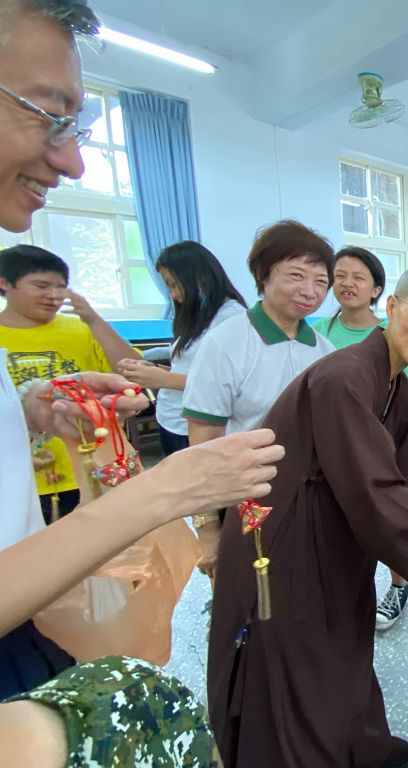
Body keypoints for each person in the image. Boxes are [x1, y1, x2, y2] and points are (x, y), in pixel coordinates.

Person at [0, 1, 284, 763]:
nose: (72, 163)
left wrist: (24, 410)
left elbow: (218, 382)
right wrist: (164, 489)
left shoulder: (239, 319)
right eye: (47, 115)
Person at [207, 267, 408, 768]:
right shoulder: (344, 377)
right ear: (391, 306)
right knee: (303, 663)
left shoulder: (390, 380)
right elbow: (373, 484)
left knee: (344, 648)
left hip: (333, 532)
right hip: (288, 542)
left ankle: (356, 747)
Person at [182, 219, 335, 576]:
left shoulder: (324, 352)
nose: (310, 291)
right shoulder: (227, 344)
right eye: (296, 275)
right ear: (263, 274)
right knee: (248, 605)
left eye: (321, 282)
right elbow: (201, 448)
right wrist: (208, 533)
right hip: (243, 502)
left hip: (307, 502)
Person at [310, 245, 408, 631]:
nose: (347, 284)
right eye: (339, 276)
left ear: (377, 290)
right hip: (328, 447)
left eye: (358, 277)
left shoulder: (391, 335)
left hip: (378, 445)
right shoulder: (317, 332)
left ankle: (398, 584)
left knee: (385, 516)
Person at [0, 244, 140, 521]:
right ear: (4, 283)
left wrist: (93, 319)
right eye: (40, 285)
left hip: (92, 467)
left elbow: (133, 372)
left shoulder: (81, 328)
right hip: (18, 478)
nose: (53, 296)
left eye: (60, 287)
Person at [116, 240, 247, 457]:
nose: (173, 295)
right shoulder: (199, 314)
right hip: (171, 419)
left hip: (197, 426)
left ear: (199, 277)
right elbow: (190, 368)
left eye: (173, 284)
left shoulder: (232, 318)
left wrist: (162, 379)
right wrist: (153, 370)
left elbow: (228, 384)